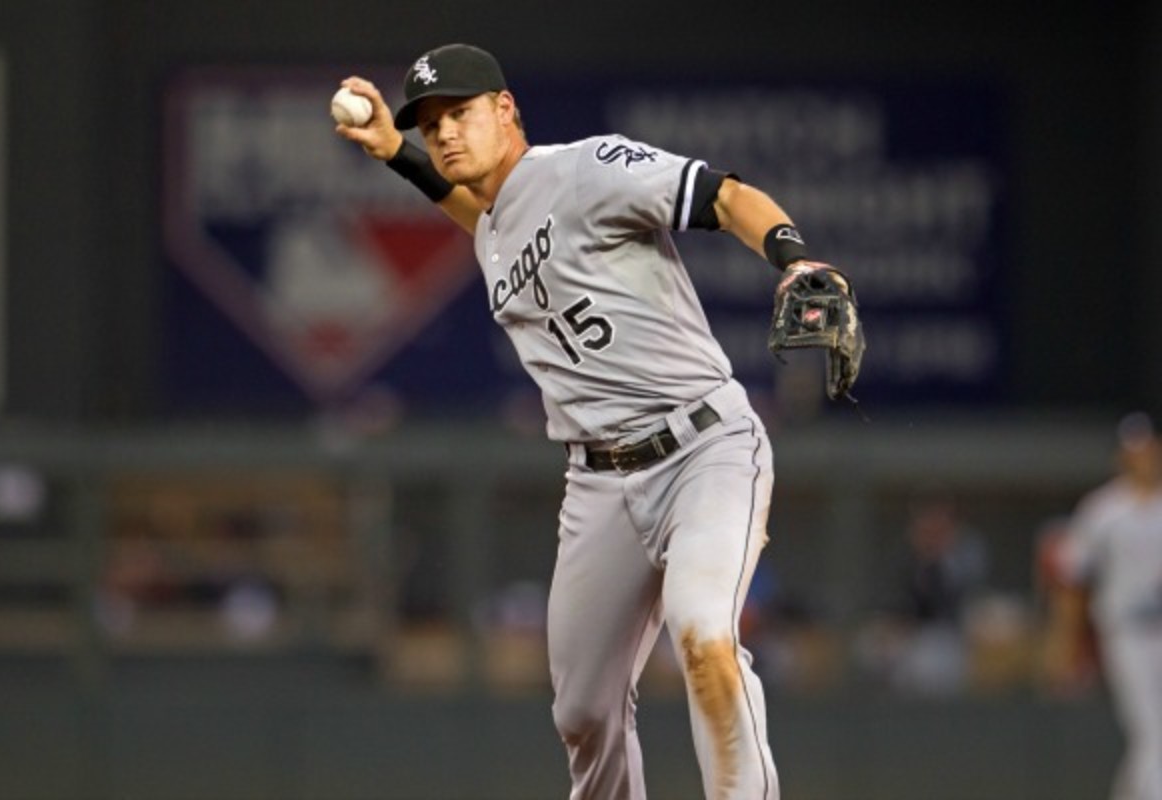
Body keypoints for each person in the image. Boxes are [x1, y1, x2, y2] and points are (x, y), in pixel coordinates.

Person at [336, 43, 857, 799]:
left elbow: (722, 194)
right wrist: (392, 153)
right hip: (598, 484)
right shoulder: (493, 226)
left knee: (705, 640)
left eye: (460, 112)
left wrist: (796, 260)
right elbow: (480, 216)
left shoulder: (585, 167)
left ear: (505, 110)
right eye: (428, 124)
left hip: (701, 445)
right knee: (582, 711)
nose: (442, 133)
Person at [1057, 412, 1162, 800]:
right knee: (1152, 730)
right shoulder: (1103, 510)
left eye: (1149, 448)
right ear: (1121, 457)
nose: (1143, 457)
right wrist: (1070, 646)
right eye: (1134, 451)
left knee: (1151, 739)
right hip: (1127, 632)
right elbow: (1072, 581)